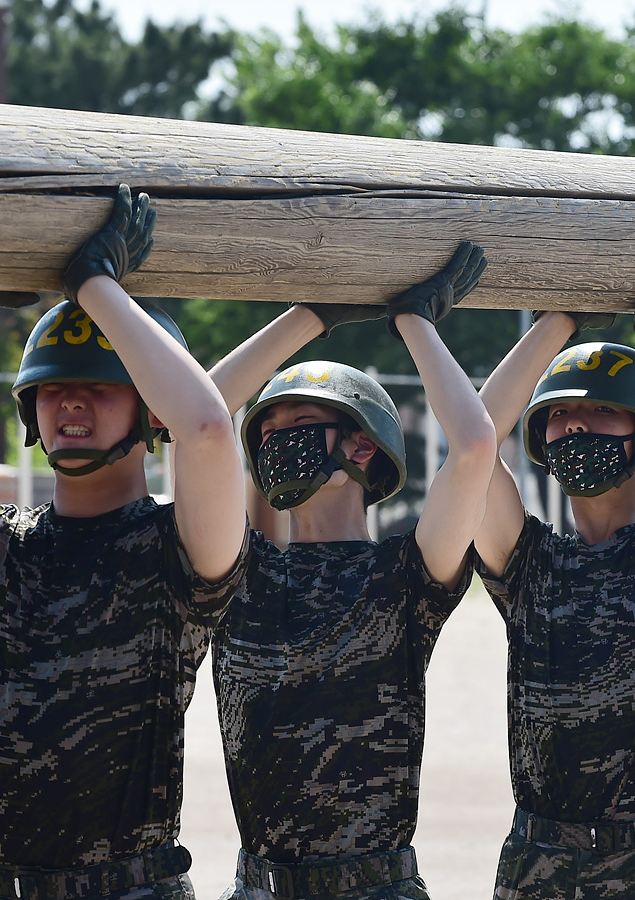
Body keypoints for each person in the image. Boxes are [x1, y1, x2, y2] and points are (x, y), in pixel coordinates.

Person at [0, 185, 249, 900]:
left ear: (150, 409)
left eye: (99, 388)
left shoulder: (177, 546)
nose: (70, 402)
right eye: (53, 386)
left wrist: (95, 285)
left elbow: (210, 431)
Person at [202, 241, 496, 900]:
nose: (276, 440)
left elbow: (475, 444)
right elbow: (193, 418)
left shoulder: (403, 576)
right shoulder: (238, 573)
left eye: (300, 422)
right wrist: (312, 315)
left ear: (362, 445)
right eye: (267, 430)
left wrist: (413, 319)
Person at [472, 239, 635, 900]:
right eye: (558, 414)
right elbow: (471, 443)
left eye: (599, 410)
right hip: (541, 861)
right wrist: (557, 325)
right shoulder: (529, 561)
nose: (574, 427)